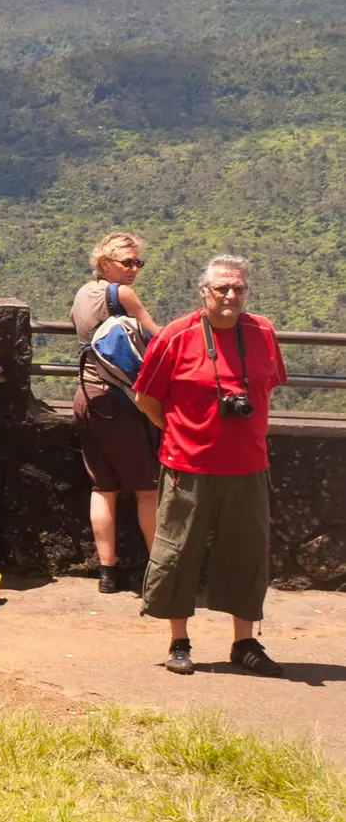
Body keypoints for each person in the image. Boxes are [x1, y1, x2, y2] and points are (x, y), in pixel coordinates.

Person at [136, 255, 288, 677]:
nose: (230, 295)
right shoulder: (175, 335)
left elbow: (268, 385)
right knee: (176, 552)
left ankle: (244, 642)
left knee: (246, 553)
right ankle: (178, 641)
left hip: (248, 465)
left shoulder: (263, 332)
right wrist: (178, 430)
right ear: (204, 291)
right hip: (188, 464)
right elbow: (145, 396)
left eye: (238, 288)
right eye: (222, 288)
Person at [72, 231, 162, 594]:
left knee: (103, 486)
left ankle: (108, 575)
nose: (134, 270)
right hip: (117, 399)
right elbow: (158, 339)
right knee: (147, 489)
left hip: (86, 396)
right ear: (105, 262)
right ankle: (160, 572)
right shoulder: (121, 294)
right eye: (127, 262)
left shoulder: (82, 293)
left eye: (138, 262)